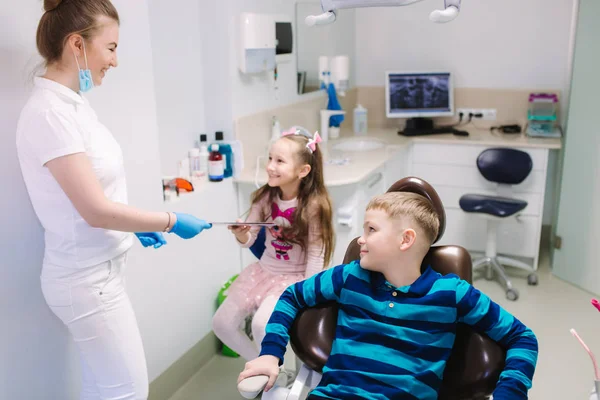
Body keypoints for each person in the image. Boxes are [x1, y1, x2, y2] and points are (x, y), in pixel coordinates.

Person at [15, 1, 211, 398]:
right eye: (111, 47)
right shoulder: (50, 114)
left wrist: (134, 228)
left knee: (106, 388)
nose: (115, 60)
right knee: (127, 391)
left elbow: (93, 193)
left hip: (98, 271)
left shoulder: (74, 106)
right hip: (84, 279)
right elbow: (94, 210)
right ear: (77, 45)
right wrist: (169, 220)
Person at [238, 192, 539, 400]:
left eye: (371, 229)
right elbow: (292, 297)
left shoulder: (451, 294)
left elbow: (522, 338)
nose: (360, 239)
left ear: (405, 239)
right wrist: (270, 354)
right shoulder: (349, 277)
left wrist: (510, 393)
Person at [212, 130, 334, 365]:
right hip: (262, 272)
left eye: (279, 161)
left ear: (303, 171)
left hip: (294, 279)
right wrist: (242, 235)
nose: (270, 166)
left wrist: (307, 295)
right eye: (270, 158)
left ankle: (270, 373)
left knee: (261, 325)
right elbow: (249, 241)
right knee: (221, 323)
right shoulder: (265, 198)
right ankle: (267, 370)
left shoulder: (313, 206)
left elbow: (317, 255)